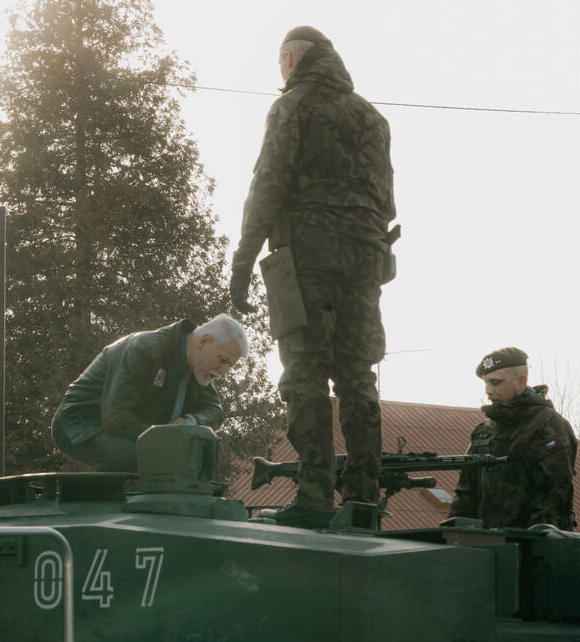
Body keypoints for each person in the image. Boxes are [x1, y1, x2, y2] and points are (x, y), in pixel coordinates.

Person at [229, 26, 396, 528]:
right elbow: (385, 201)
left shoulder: (294, 106)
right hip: (365, 260)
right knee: (357, 377)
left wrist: (242, 263)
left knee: (304, 372)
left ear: (291, 58)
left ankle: (316, 494)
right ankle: (363, 497)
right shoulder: (373, 118)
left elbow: (269, 186)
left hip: (307, 256)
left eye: (281, 62)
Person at [51, 315, 249, 472]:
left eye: (229, 366)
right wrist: (163, 439)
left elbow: (214, 410)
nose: (223, 372)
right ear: (204, 341)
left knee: (199, 455)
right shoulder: (143, 349)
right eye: (223, 360)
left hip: (121, 425)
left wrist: (187, 421)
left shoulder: (200, 370)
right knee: (127, 455)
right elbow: (115, 418)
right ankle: (92, 512)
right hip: (77, 423)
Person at [446, 347, 577, 530]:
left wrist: (528, 550)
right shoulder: (484, 431)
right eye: (486, 383)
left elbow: (553, 501)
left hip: (531, 548)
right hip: (483, 547)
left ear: (521, 381)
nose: (488, 391)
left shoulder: (548, 427)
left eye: (495, 383)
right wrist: (453, 538)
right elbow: (466, 492)